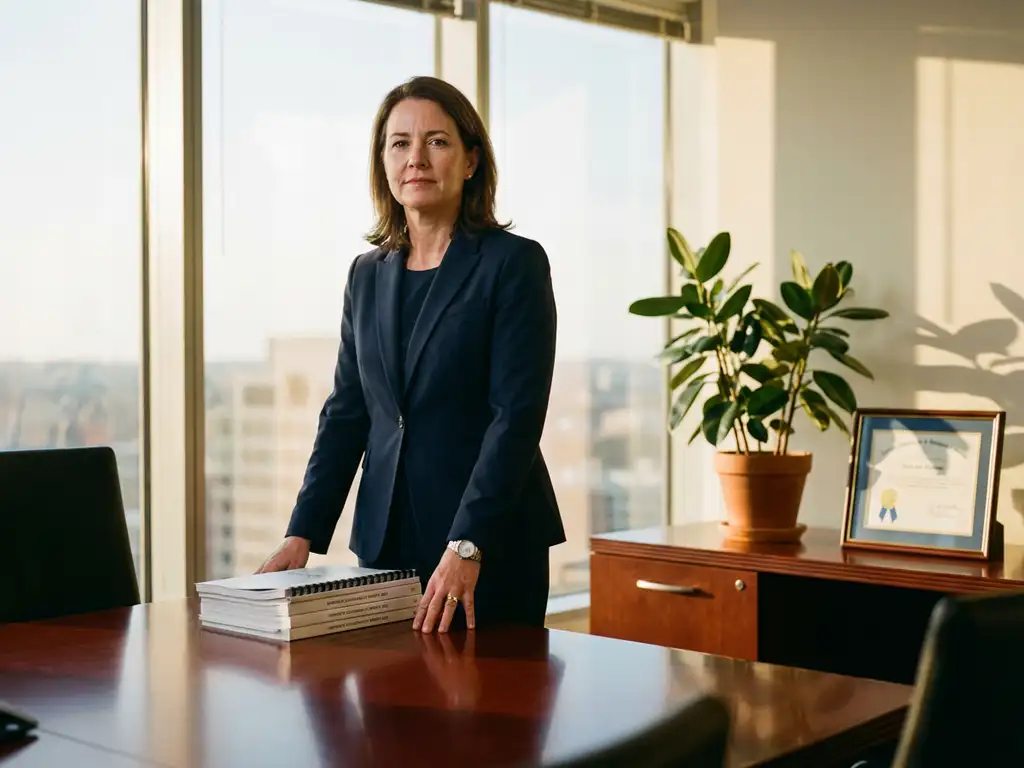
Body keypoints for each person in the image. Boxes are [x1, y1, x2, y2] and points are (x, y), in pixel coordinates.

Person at [256, 75, 565, 634]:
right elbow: (348, 411)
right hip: (386, 545)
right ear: (383, 162)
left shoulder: (512, 264)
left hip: (489, 545)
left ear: (470, 161)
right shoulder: (366, 275)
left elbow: (515, 418)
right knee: (388, 713)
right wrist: (302, 532)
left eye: (437, 142)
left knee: (491, 714)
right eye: (400, 143)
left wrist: (469, 543)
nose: (416, 158)